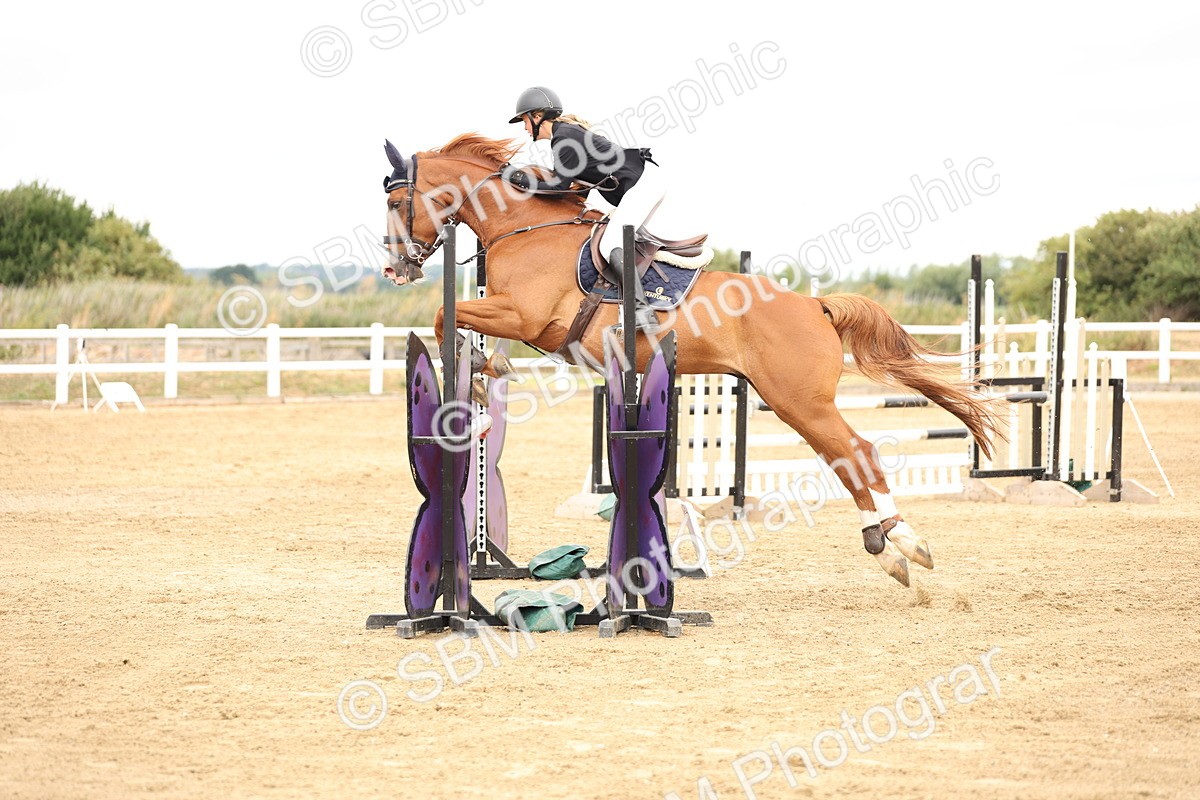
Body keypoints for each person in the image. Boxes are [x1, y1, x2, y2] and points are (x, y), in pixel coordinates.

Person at [505, 86, 664, 332]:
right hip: (644, 183)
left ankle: (644, 313)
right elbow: (577, 191)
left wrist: (518, 179)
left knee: (610, 244)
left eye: (524, 121)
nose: (525, 128)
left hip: (643, 185)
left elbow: (559, 186)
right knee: (622, 243)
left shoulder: (564, 138)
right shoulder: (566, 136)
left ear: (537, 117)